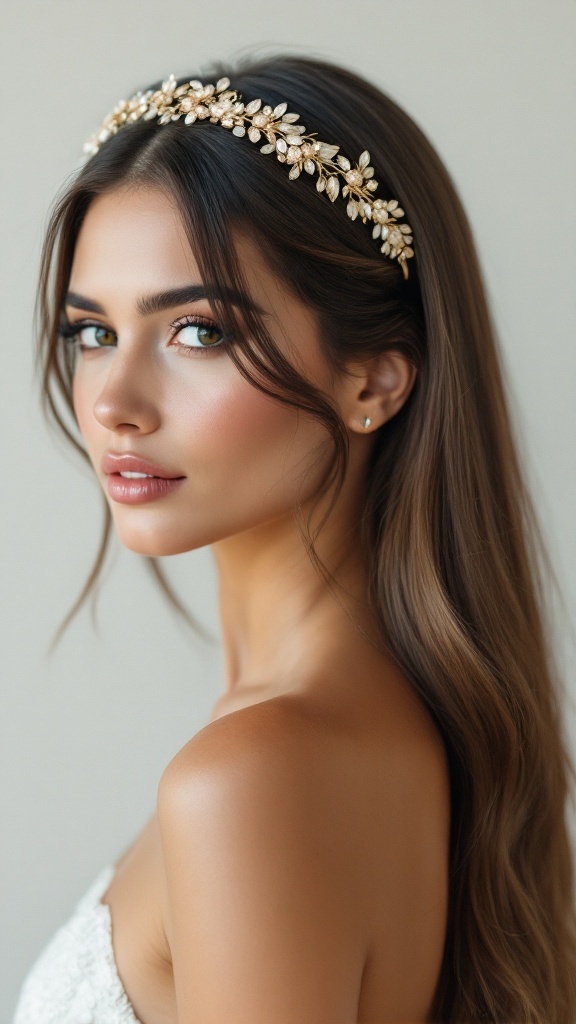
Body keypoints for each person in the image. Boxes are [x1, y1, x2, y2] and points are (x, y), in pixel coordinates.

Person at [12, 51, 576, 1024]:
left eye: (198, 331)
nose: (114, 402)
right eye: (91, 332)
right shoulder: (387, 733)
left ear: (374, 380)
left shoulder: (253, 779)